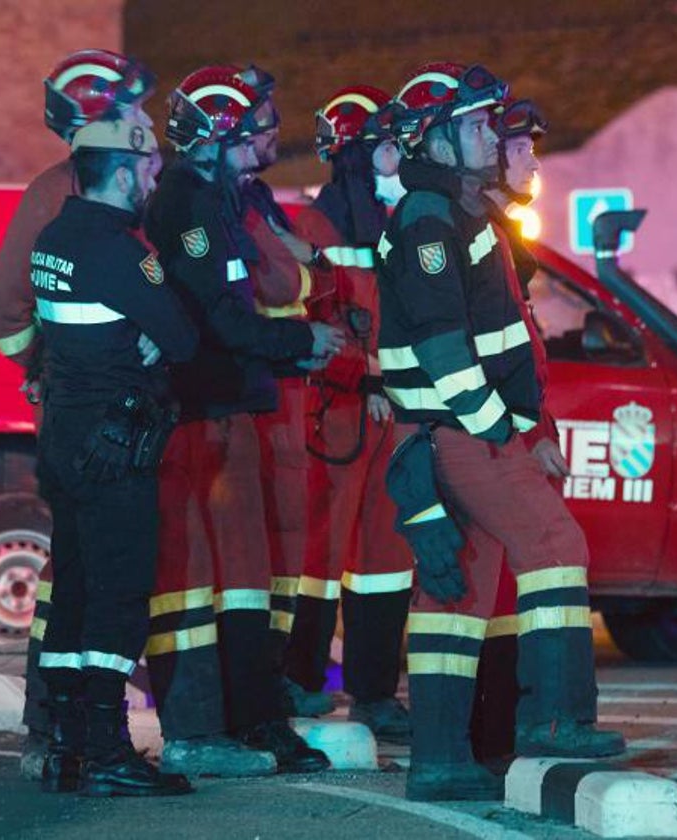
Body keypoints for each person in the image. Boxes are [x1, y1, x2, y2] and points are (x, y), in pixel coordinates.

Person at [377, 62, 624, 802]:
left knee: (459, 596)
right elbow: (444, 346)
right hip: (461, 429)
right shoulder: (427, 220)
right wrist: (499, 427)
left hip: (453, 430)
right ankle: (556, 718)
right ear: (440, 140)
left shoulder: (453, 216)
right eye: (480, 124)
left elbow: (494, 335)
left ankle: (442, 759)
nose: (494, 134)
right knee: (554, 545)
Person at [143, 66, 342, 775]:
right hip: (204, 413)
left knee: (244, 578)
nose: (271, 133)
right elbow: (218, 315)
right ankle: (223, 724)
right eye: (255, 124)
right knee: (209, 579)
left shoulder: (218, 198)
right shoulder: (190, 204)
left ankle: (253, 716)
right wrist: (299, 341)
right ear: (220, 135)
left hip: (228, 407)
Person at [0, 48, 158, 781]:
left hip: (105, 414)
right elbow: (1, 307)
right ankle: (67, 729)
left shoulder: (116, 188)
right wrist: (44, 364)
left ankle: (74, 735)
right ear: (98, 123)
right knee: (87, 576)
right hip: (97, 422)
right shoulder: (58, 194)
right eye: (133, 109)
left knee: (91, 572)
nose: (146, 120)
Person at [32, 113, 195, 797]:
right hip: (114, 447)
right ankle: (106, 749)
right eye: (150, 167)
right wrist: (152, 342)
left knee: (71, 594)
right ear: (123, 172)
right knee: (118, 598)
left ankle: (68, 746)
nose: (156, 178)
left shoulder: (54, 238)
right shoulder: (121, 253)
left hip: (64, 442)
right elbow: (182, 339)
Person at [285, 86, 414, 744]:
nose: (398, 155)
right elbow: (313, 325)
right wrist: (363, 377)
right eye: (387, 145)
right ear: (358, 154)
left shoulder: (397, 224)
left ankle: (374, 691)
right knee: (317, 554)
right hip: (333, 417)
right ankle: (300, 678)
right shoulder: (316, 231)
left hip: (389, 417)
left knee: (385, 558)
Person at [233, 65, 336, 717]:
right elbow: (276, 286)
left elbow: (298, 266)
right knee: (256, 549)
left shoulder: (255, 202)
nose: (275, 128)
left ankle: (267, 678)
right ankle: (251, 687)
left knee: (280, 547)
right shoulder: (224, 208)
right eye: (264, 119)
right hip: (258, 390)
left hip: (279, 393)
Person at [470, 96, 568, 768]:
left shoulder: (502, 234)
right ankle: (492, 738)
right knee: (497, 589)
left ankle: (506, 730)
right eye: (522, 148)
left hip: (508, 433)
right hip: (489, 439)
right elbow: (498, 354)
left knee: (509, 591)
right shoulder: (476, 234)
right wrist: (521, 432)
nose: (534, 161)